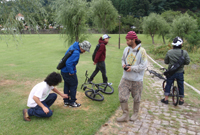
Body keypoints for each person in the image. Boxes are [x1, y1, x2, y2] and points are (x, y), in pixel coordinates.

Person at [117, 31, 148, 122]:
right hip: (125, 78)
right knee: (122, 96)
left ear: (133, 40)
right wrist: (123, 65)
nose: (126, 42)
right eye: (126, 40)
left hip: (137, 79)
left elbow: (143, 66)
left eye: (128, 40)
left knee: (137, 97)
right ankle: (125, 115)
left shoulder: (142, 51)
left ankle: (135, 113)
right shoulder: (126, 49)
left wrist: (132, 68)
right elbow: (123, 59)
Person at [61, 40, 91, 107]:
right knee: (73, 85)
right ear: (82, 47)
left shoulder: (73, 46)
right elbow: (68, 63)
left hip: (64, 70)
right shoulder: (76, 52)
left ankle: (66, 101)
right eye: (85, 50)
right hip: (68, 71)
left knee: (67, 85)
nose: (84, 51)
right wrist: (71, 72)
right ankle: (72, 102)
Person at [161, 37, 190, 105]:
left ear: (173, 44)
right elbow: (188, 62)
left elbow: (166, 61)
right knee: (181, 85)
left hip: (171, 72)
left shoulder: (169, 52)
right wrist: (182, 64)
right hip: (180, 72)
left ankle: (166, 99)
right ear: (180, 44)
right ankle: (181, 99)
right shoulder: (184, 52)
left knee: (168, 84)